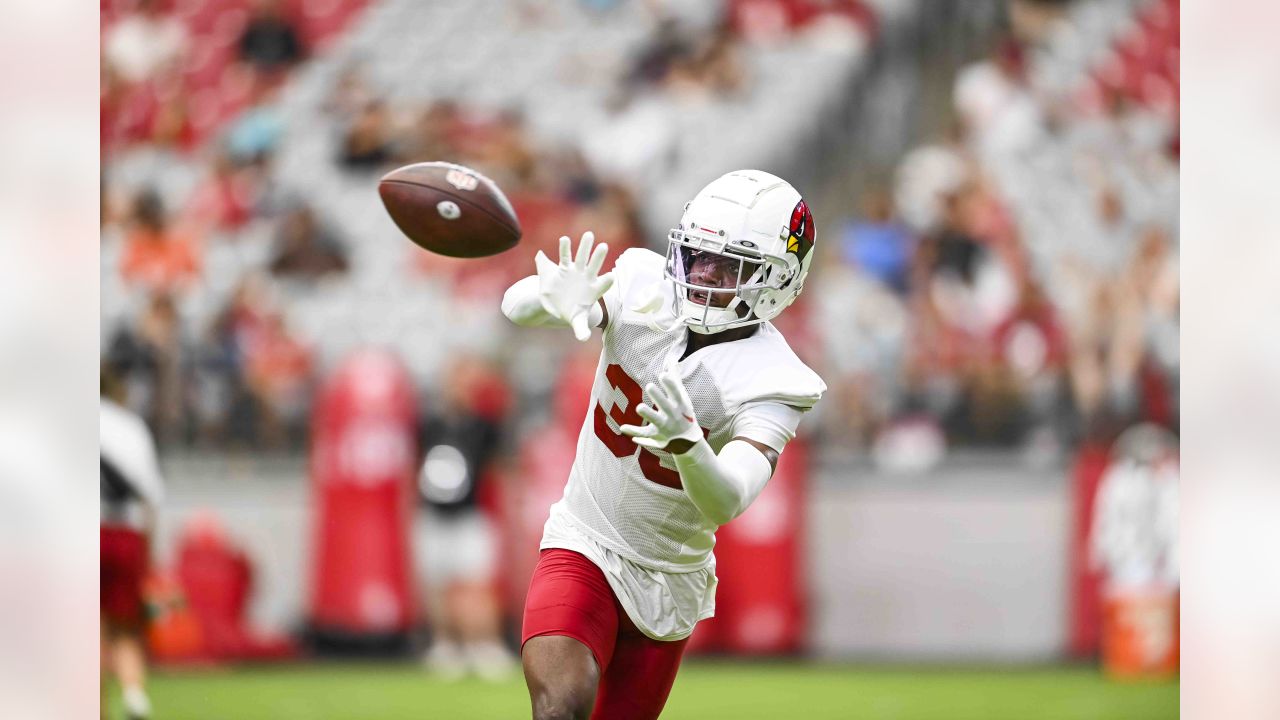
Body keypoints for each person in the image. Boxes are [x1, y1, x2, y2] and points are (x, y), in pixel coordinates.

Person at [501, 169, 825, 719]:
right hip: (583, 539)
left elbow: (727, 500)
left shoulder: (777, 380)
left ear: (778, 279)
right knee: (560, 707)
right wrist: (549, 297)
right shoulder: (643, 283)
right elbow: (516, 307)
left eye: (728, 265)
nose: (702, 274)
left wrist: (690, 447)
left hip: (668, 575)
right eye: (697, 256)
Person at [415, 357, 517, 680]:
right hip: (433, 513)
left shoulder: (485, 425)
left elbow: (500, 466)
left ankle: (484, 644)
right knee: (437, 584)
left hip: (470, 515)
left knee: (476, 583)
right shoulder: (429, 423)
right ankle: (446, 645)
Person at [101, 371, 166, 720]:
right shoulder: (130, 427)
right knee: (126, 626)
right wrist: (148, 555)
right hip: (125, 532)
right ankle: (133, 693)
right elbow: (151, 495)